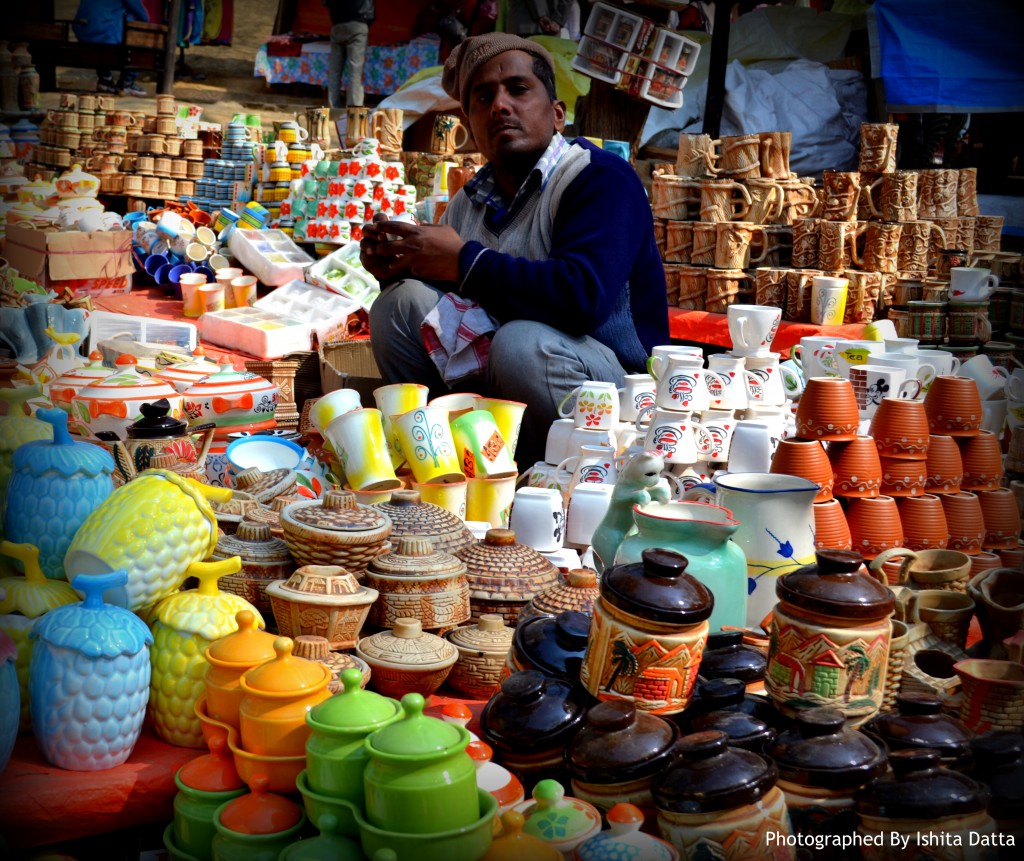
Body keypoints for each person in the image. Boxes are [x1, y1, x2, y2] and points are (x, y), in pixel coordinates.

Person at [359, 33, 668, 469]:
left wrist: (464, 260)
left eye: (518, 90)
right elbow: (449, 297)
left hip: (616, 388)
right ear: (469, 124)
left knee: (520, 344)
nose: (500, 106)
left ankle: (555, 472)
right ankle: (444, 462)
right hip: (506, 374)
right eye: (483, 98)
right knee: (398, 305)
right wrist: (396, 265)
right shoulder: (470, 201)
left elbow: (583, 299)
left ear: (557, 114)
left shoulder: (599, 179)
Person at [72, 0, 149, 97]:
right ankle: (127, 81)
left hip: (83, 32)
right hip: (104, 34)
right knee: (137, 33)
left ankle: (105, 78)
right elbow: (143, 16)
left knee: (109, 20)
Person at [326, 0, 375, 108]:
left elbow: (326, 2)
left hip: (337, 24)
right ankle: (353, 109)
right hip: (357, 24)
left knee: (335, 70)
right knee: (355, 70)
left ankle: (332, 106)